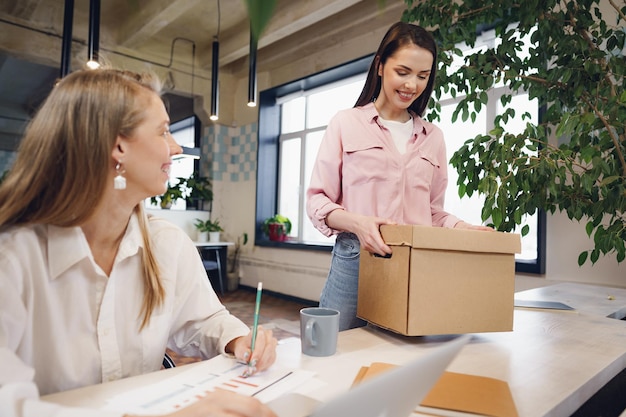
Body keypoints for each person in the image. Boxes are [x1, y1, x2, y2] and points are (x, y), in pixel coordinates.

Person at [0, 68, 278, 417]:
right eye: (163, 131)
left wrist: (237, 339)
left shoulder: (167, 244)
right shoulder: (12, 258)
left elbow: (200, 321)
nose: (176, 147)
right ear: (118, 146)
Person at [306, 22, 493, 331]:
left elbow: (431, 211)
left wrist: (463, 228)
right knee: (334, 352)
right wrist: (359, 224)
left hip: (414, 265)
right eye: (403, 72)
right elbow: (317, 201)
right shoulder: (345, 123)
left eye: (422, 76)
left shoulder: (433, 137)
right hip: (355, 261)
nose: (412, 85)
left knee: (398, 359)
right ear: (381, 66)